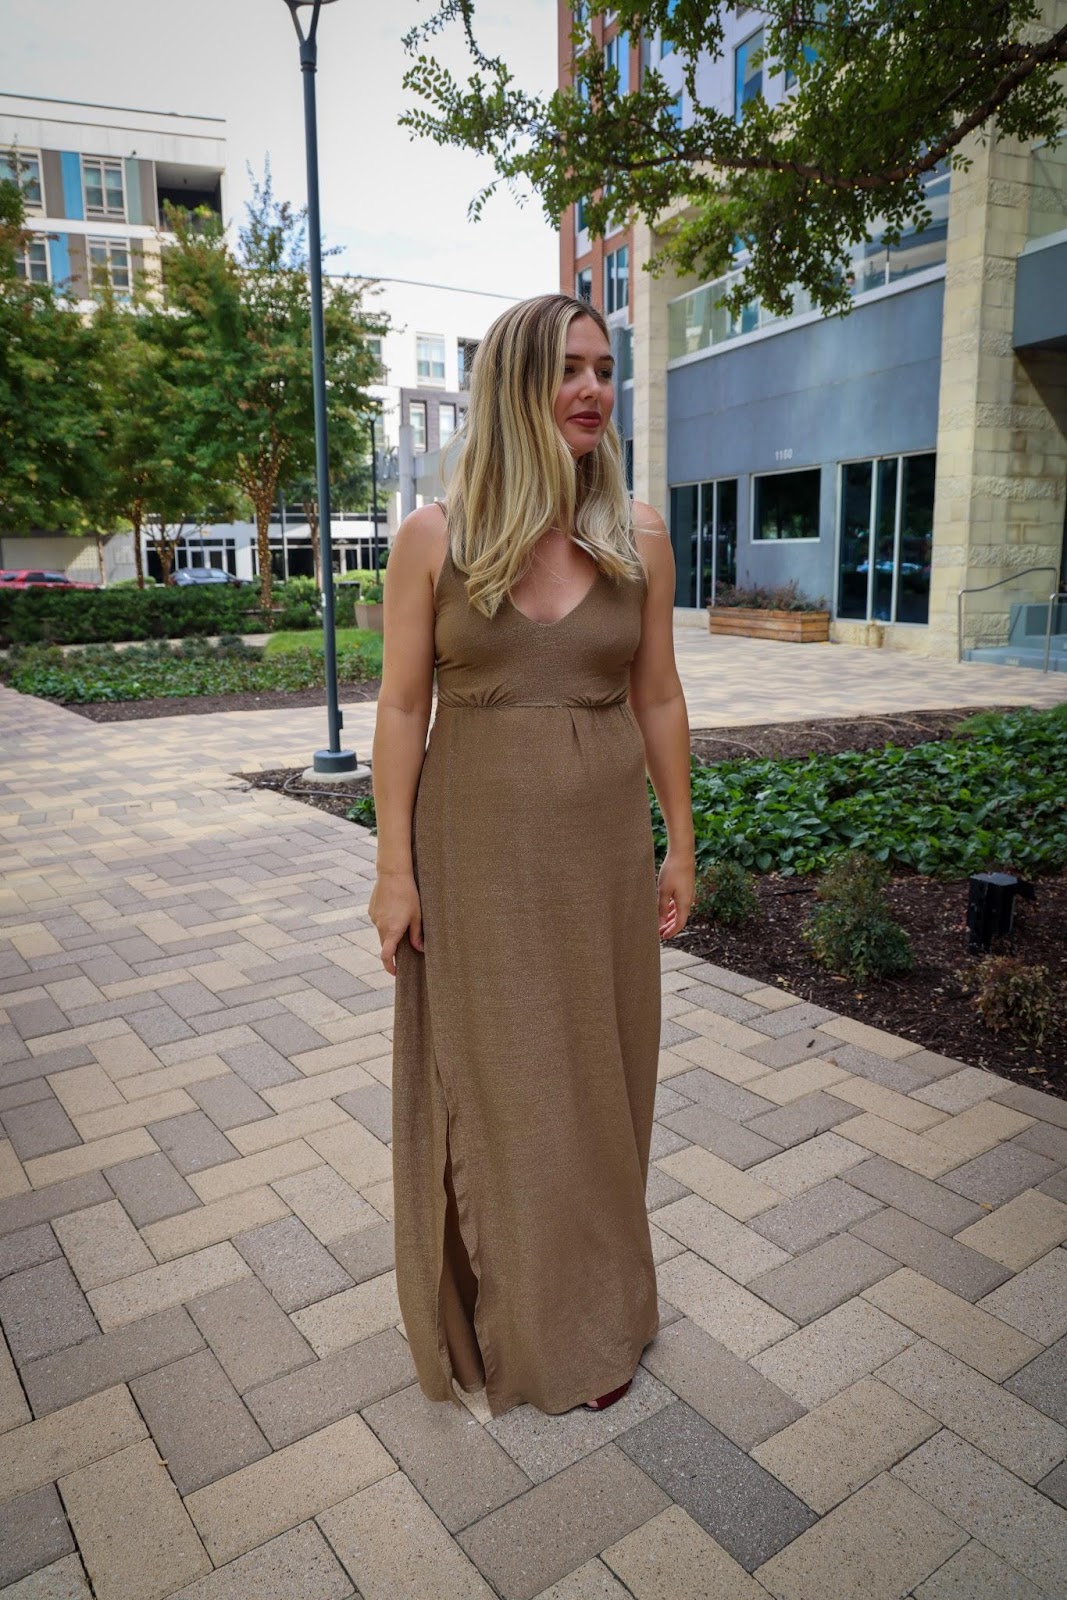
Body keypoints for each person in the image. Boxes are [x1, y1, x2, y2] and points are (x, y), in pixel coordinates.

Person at [368, 292, 695, 1419]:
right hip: (473, 856)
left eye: (604, 367)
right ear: (515, 384)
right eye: (568, 368)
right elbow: (399, 705)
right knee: (502, 1082)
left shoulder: (638, 534)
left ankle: (597, 1311)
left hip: (602, 857)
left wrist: (681, 843)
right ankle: (509, 1314)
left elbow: (658, 693)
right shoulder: (435, 536)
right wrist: (393, 869)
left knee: (600, 1081)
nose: (593, 388)